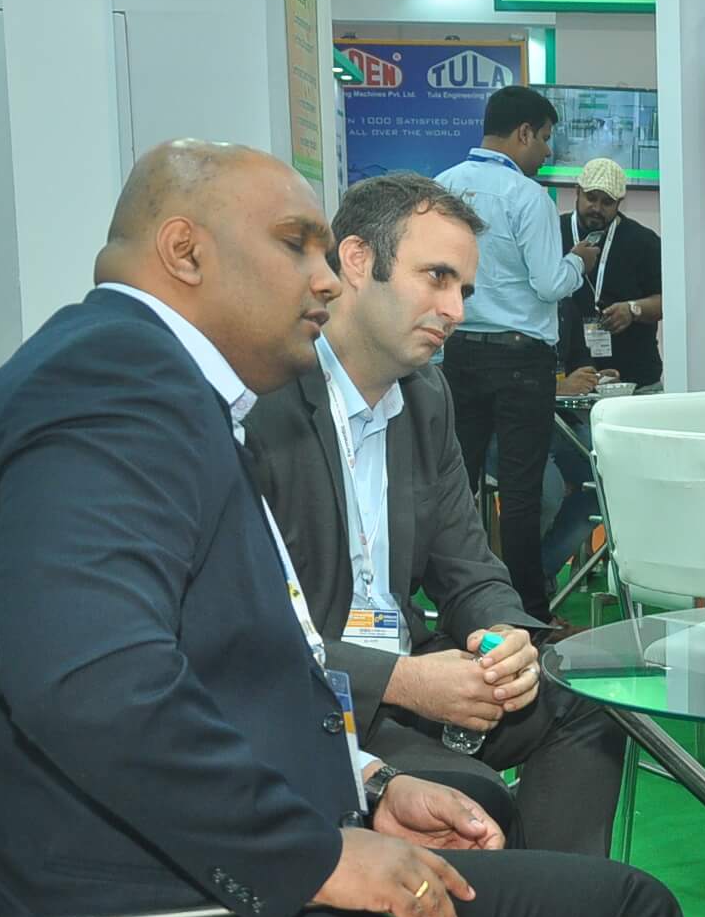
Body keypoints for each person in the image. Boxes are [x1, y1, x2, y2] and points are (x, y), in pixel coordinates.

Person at [0, 140, 705, 917]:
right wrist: (319, 854)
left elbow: (210, 668)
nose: (325, 277)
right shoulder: (116, 386)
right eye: (296, 245)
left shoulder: (133, 376)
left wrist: (366, 786)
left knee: (564, 873)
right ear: (184, 250)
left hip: (141, 902)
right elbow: (96, 688)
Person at [244, 171, 628, 860]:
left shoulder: (425, 396)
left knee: (583, 700)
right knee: (477, 797)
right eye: (437, 278)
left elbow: (468, 562)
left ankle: (553, 905)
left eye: (465, 291)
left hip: (409, 671)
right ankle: (531, 910)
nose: (455, 310)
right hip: (306, 699)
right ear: (356, 260)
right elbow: (246, 635)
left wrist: (503, 637)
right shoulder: (262, 402)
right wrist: (405, 682)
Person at [435, 85, 602, 625]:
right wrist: (578, 261)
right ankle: (528, 615)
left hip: (458, 352)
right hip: (520, 360)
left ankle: (452, 608)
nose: (547, 152)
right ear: (524, 132)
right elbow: (550, 284)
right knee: (522, 491)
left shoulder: (441, 188)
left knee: (453, 485)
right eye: (546, 138)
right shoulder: (528, 197)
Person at [548, 156, 664, 577]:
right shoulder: (551, 234)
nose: (597, 208)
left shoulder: (644, 242)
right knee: (588, 477)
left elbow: (670, 299)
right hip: (560, 389)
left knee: (623, 480)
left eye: (607, 202)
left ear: (620, 203)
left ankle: (613, 571)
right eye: (591, 198)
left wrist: (633, 309)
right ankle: (546, 572)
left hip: (632, 380)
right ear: (577, 193)